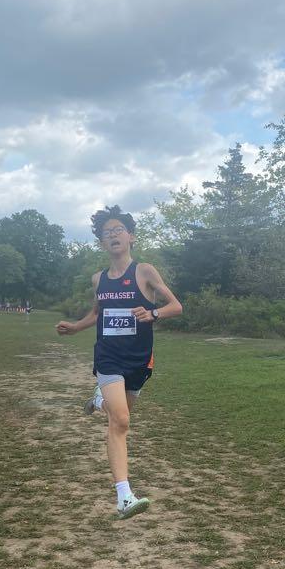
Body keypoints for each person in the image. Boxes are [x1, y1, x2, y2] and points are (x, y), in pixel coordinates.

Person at [55, 205, 182, 519]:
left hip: (139, 358)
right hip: (108, 355)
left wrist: (152, 313)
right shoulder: (98, 279)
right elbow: (97, 313)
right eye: (106, 233)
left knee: (119, 413)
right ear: (102, 243)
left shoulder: (145, 271)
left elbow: (176, 306)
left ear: (131, 237)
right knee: (121, 421)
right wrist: (76, 327)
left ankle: (99, 401)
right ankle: (124, 497)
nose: (112, 235)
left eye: (118, 230)